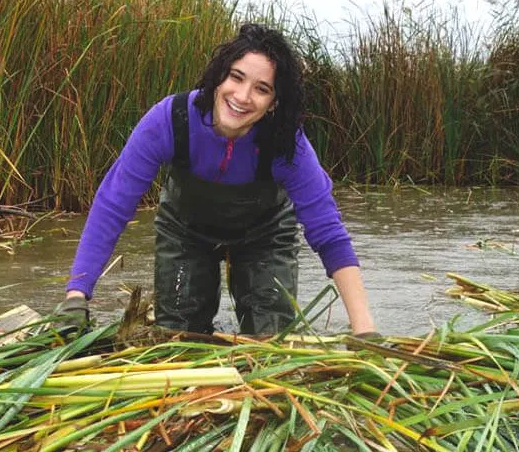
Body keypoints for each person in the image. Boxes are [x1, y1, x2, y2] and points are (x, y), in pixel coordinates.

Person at [60, 23, 375, 337]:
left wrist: (364, 331)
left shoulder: (286, 145)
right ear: (220, 74)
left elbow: (329, 234)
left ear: (274, 103)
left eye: (261, 89)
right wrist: (77, 295)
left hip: (264, 236)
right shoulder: (170, 120)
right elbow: (113, 205)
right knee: (179, 339)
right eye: (236, 77)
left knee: (271, 341)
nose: (242, 96)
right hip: (185, 232)